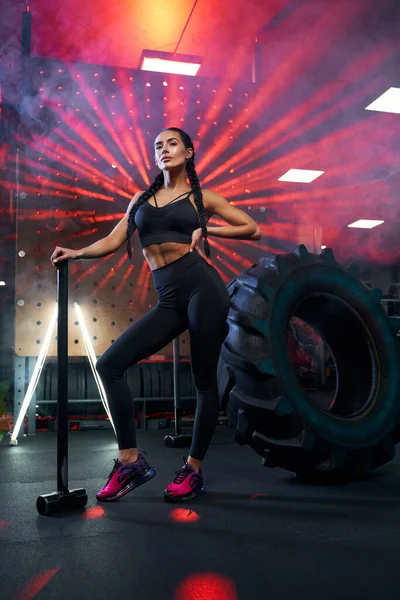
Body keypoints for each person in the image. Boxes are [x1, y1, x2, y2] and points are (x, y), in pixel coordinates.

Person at [50, 127, 262, 503]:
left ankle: (192, 470)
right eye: (158, 146)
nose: (163, 149)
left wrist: (207, 230)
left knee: (202, 382)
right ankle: (130, 460)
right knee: (111, 365)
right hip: (168, 297)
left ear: (189, 152)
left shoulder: (202, 198)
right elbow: (115, 240)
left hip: (202, 288)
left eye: (172, 143)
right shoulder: (141, 200)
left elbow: (252, 228)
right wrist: (77, 253)